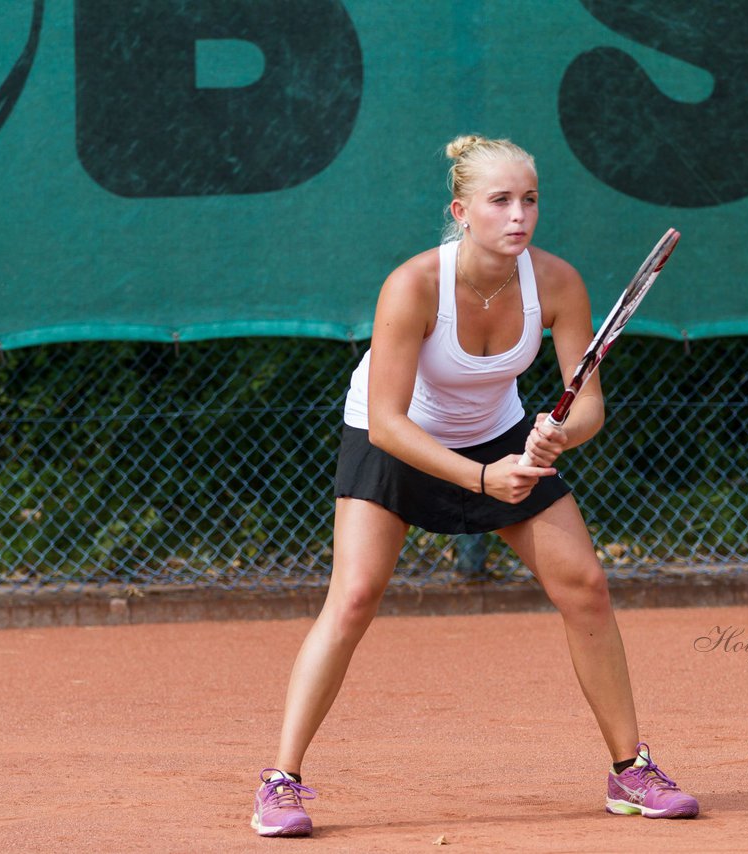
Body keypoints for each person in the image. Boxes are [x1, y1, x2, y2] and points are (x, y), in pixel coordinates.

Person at [251, 134, 699, 837]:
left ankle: (629, 770)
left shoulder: (557, 283)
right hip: (395, 435)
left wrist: (559, 434)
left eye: (530, 200)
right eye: (500, 201)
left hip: (497, 430)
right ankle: (280, 781)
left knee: (585, 583)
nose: (518, 215)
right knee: (355, 597)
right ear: (462, 210)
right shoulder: (414, 285)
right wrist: (482, 478)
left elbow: (588, 405)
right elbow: (390, 424)